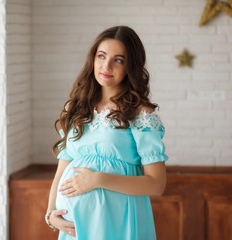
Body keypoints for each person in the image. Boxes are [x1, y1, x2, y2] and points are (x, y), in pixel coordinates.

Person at [45, 25, 168, 240]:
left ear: (131, 66)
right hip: (74, 227)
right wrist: (50, 214)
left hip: (119, 223)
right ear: (93, 59)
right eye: (101, 56)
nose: (106, 66)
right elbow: (62, 170)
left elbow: (157, 184)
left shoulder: (141, 115)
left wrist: (98, 180)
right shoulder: (75, 108)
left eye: (118, 60)